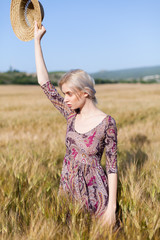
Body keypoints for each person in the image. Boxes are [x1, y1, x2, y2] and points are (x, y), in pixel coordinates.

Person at [34, 22, 118, 228]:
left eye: (69, 93)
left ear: (86, 93)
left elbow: (112, 167)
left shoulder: (107, 123)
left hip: (95, 195)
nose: (65, 99)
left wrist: (111, 208)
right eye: (64, 94)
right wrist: (37, 41)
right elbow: (44, 84)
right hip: (68, 190)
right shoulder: (71, 115)